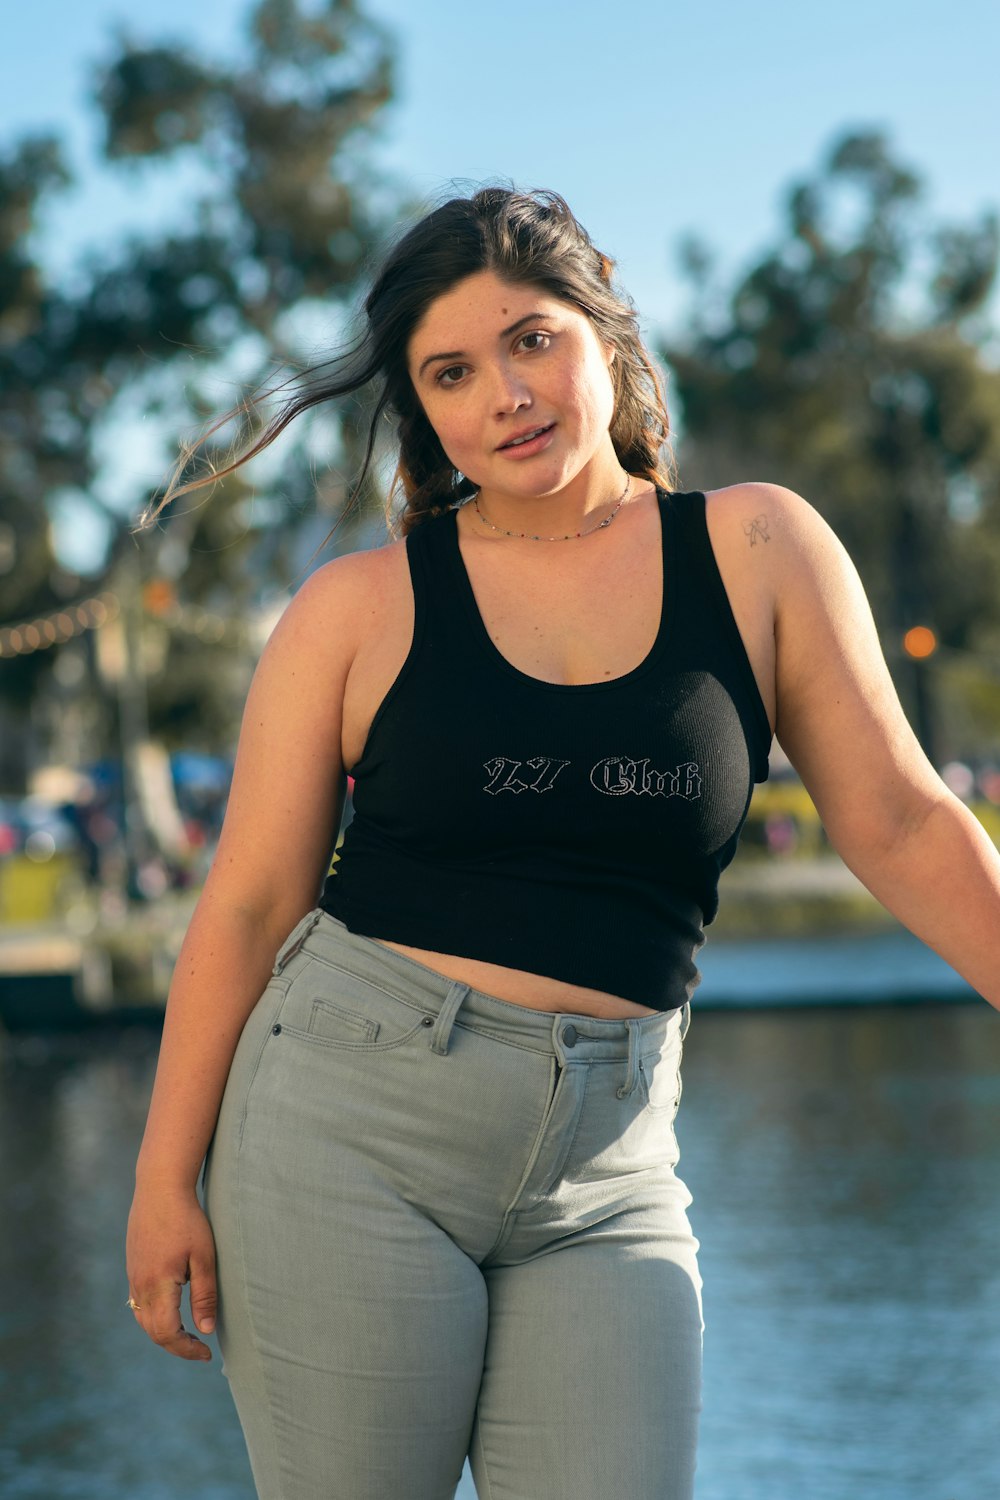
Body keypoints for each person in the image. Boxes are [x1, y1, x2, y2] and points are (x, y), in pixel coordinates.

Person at [125, 186, 1000, 1500]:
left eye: (532, 339)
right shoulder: (355, 610)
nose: (503, 395)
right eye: (451, 373)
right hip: (348, 1130)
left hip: (613, 1155)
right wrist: (160, 1177)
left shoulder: (759, 549)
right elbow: (248, 907)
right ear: (422, 408)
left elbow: (901, 822)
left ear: (607, 328)